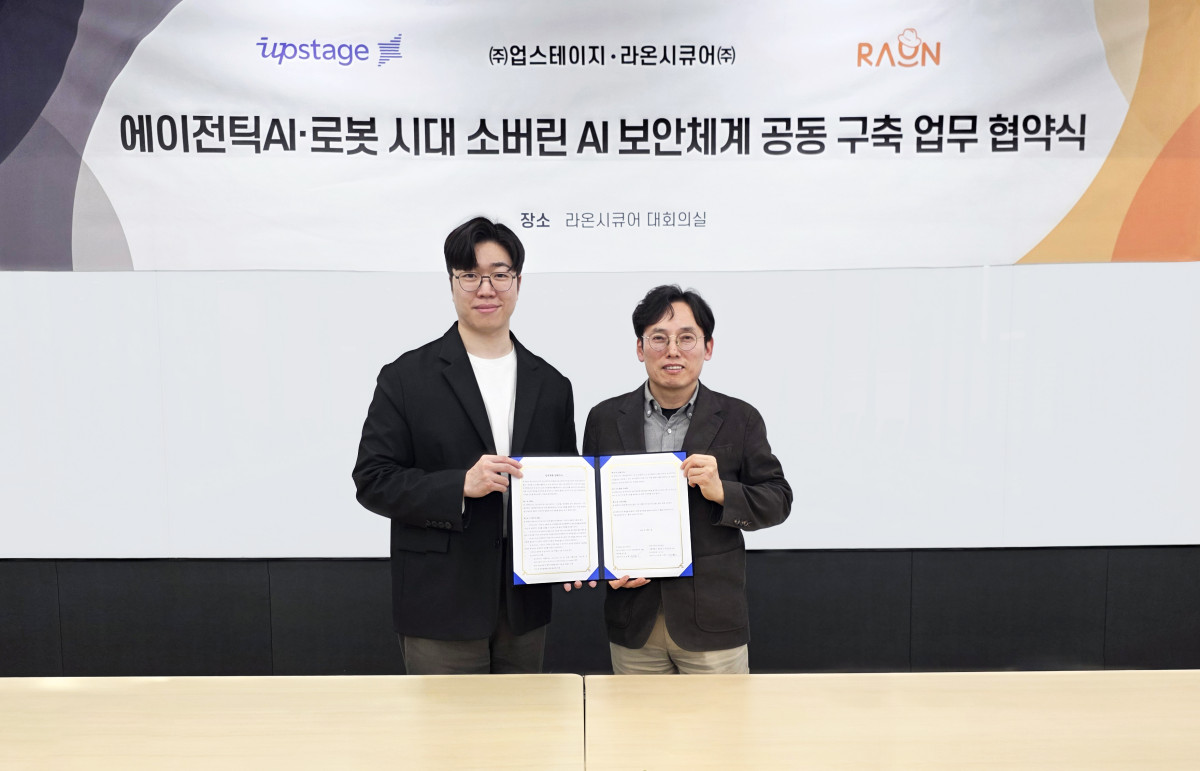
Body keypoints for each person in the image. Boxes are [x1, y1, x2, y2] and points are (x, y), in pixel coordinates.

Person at [352, 216, 576, 674]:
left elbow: (566, 485)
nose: (485, 288)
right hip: (440, 602)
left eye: (499, 274)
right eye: (470, 275)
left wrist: (577, 550)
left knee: (523, 721)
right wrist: (460, 485)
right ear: (452, 284)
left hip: (524, 604)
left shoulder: (552, 384)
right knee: (445, 724)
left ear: (518, 283)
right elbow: (373, 480)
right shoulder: (405, 378)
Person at [581, 285, 792, 674]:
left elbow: (778, 500)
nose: (672, 350)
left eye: (686, 338)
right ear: (640, 348)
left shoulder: (740, 418)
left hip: (712, 622)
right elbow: (589, 511)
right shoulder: (605, 419)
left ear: (708, 347)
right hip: (633, 620)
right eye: (659, 338)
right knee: (634, 718)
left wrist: (722, 491)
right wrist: (603, 567)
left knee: (720, 718)